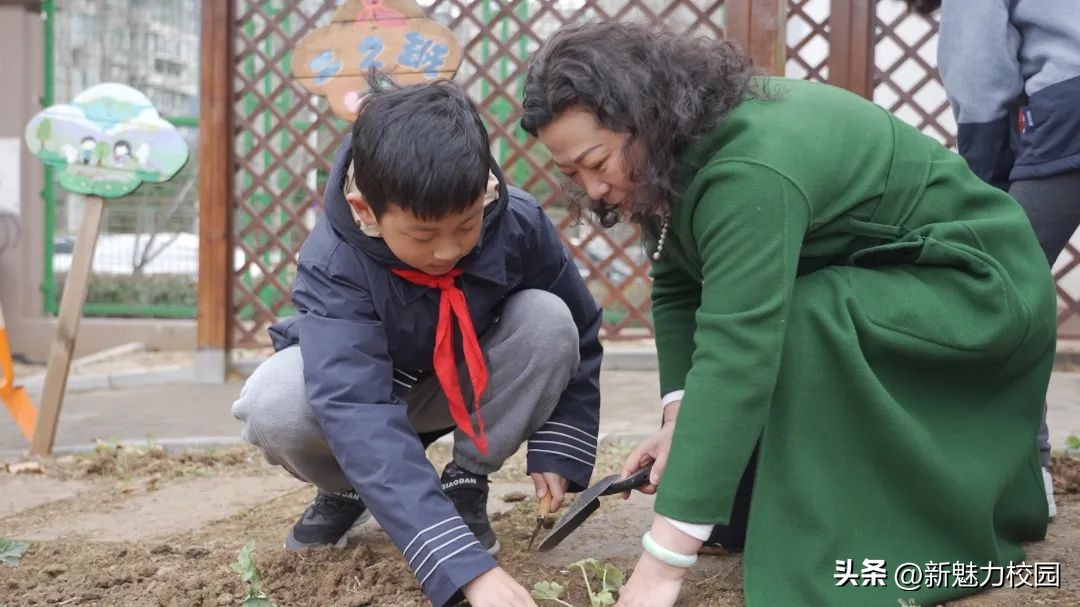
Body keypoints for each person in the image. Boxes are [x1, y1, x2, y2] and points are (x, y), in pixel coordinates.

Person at [521, 22, 1055, 607]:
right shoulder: (668, 160)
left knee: (801, 318)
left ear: (645, 114)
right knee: (795, 321)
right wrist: (680, 417)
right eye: (572, 174)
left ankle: (890, 548)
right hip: (887, 288)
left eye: (597, 161)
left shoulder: (749, 168)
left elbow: (737, 354)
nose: (593, 189)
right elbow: (677, 284)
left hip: (977, 292)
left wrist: (662, 568)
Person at [233, 76, 603, 607]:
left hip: (470, 382)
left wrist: (560, 441)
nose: (448, 251)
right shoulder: (334, 262)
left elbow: (581, 328)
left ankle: (466, 481)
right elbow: (354, 406)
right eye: (424, 236)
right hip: (376, 395)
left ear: (486, 190)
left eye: (467, 224)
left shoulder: (516, 220)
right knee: (275, 402)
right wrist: (465, 570)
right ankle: (346, 487)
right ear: (365, 211)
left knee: (548, 316)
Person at [904, 0, 1080, 520]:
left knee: (997, 290)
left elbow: (979, 72)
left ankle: (1026, 481)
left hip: (1069, 109)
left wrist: (982, 187)